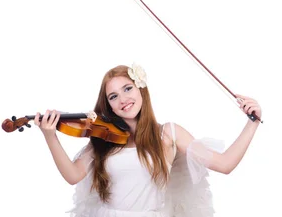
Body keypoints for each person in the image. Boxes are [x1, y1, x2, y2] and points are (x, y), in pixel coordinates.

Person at [34, 64, 262, 217]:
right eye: (113, 96)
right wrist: (50, 135)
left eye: (127, 88)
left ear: (141, 89)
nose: (123, 99)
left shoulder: (170, 133)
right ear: (109, 105)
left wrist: (252, 123)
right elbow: (73, 176)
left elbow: (225, 164)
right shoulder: (103, 137)